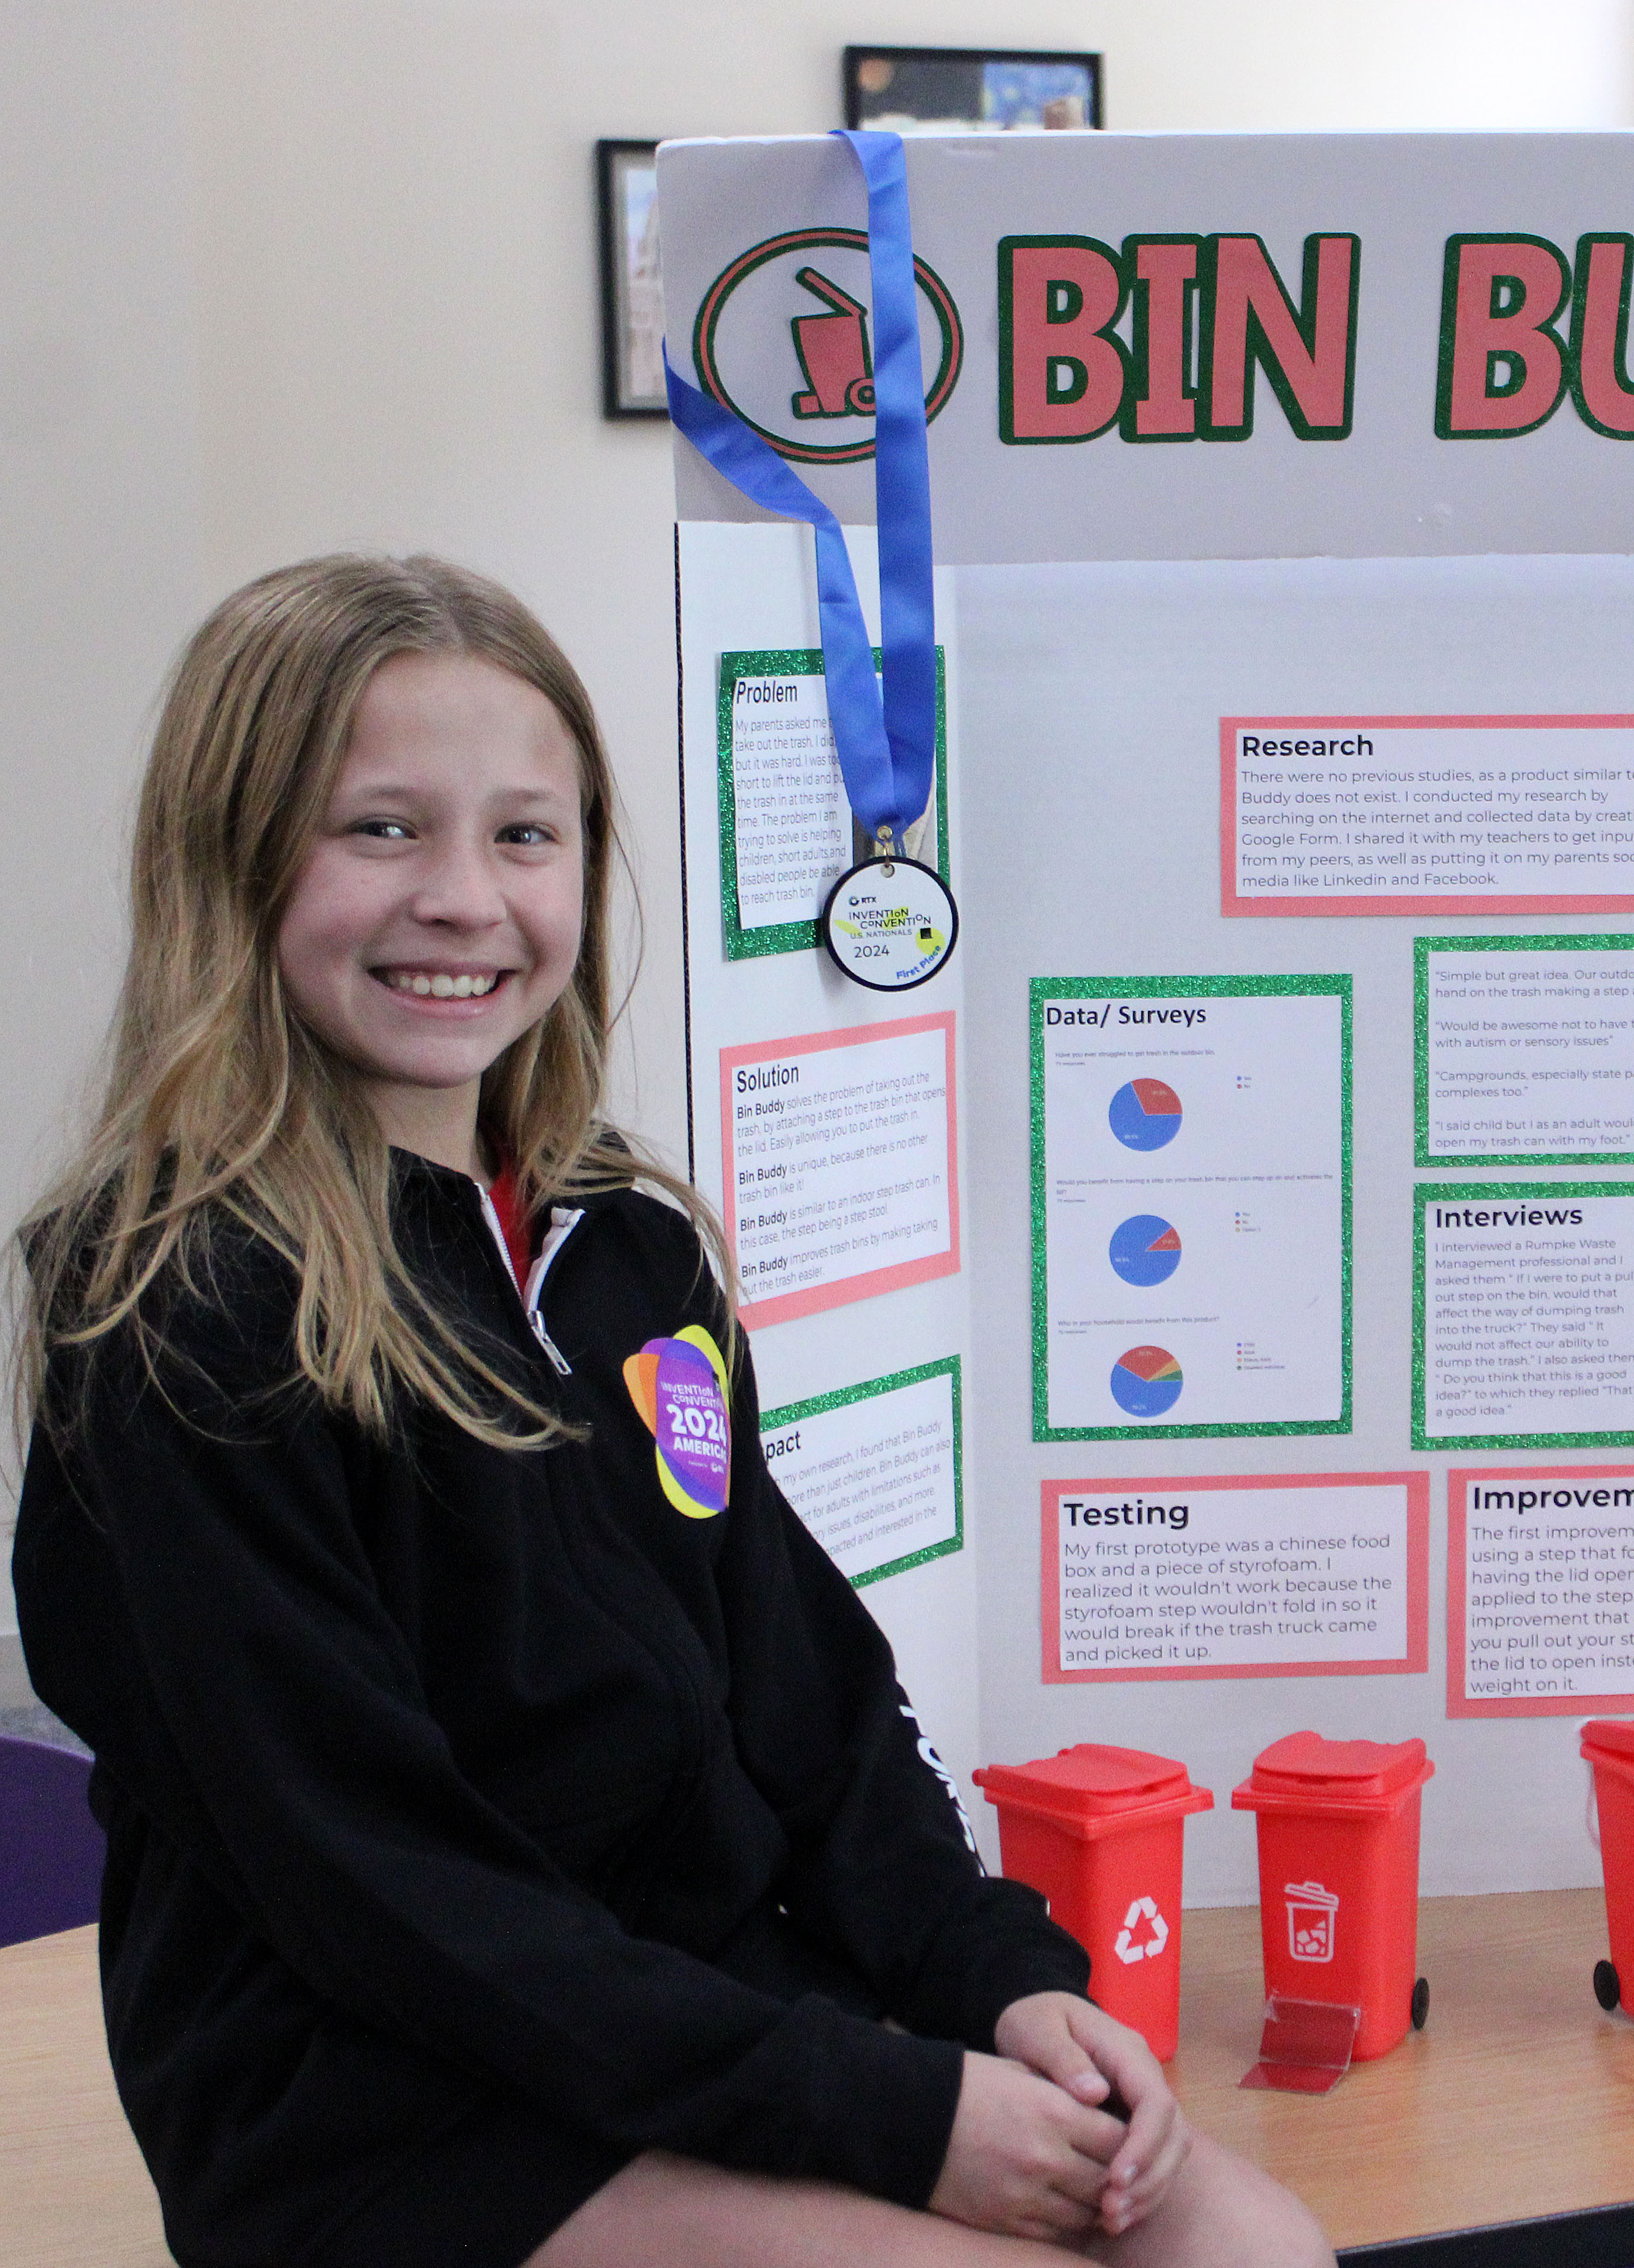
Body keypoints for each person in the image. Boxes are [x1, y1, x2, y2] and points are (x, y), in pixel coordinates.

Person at [11, 555, 1331, 2268]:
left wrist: (994, 1984)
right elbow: (379, 1886)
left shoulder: (628, 1249)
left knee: (1242, 2245)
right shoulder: (181, 1313)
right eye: (382, 830)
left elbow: (813, 1699)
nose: (466, 899)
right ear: (230, 860)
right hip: (386, 2099)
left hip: (699, 2012)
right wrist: (889, 2122)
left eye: (525, 835)